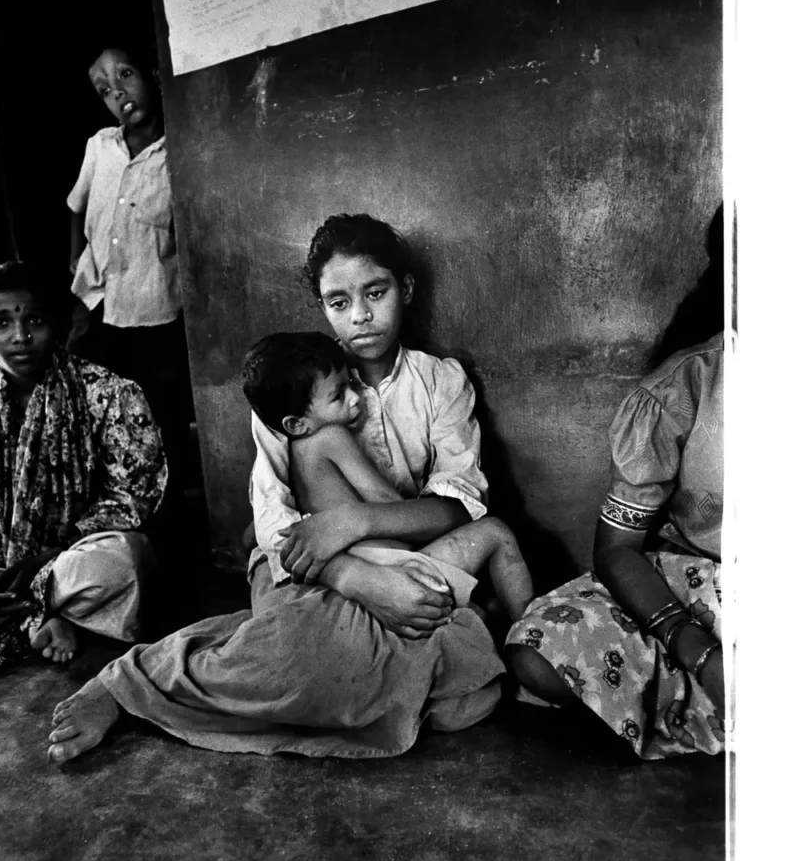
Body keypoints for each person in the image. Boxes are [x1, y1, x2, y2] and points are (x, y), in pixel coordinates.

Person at [46, 214, 507, 762]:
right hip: (305, 570)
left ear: (404, 289)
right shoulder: (290, 386)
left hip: (404, 558)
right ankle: (132, 679)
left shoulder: (440, 381)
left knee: (466, 694)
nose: (360, 315)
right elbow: (273, 519)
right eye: (339, 302)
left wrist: (355, 524)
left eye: (376, 293)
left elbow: (460, 503)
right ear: (323, 307)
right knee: (293, 656)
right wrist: (351, 575)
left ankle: (367, 682)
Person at [505, 330, 726, 758]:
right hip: (693, 594)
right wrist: (697, 650)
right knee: (539, 650)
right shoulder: (684, 384)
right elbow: (616, 550)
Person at [241, 330, 534, 622]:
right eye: (338, 395)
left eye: (351, 386)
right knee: (496, 533)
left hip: (346, 575)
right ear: (296, 424)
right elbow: (385, 499)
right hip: (388, 568)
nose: (356, 398)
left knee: (477, 614)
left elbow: (256, 533)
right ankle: (529, 631)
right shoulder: (333, 437)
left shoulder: (295, 451)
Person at [0, 261, 167, 677]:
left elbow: (134, 497)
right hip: (9, 562)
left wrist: (51, 556)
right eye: (2, 323)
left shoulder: (110, 393)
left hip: (77, 556)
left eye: (35, 321)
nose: (20, 338)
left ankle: (37, 607)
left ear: (56, 326)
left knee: (123, 563)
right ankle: (46, 613)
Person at [66, 45, 195, 517]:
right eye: (105, 89)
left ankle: (169, 509)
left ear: (155, 77)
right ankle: (108, 508)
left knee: (160, 415)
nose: (118, 92)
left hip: (155, 309)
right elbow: (76, 206)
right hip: (97, 303)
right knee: (99, 411)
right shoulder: (100, 146)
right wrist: (75, 266)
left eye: (125, 75)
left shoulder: (178, 153)